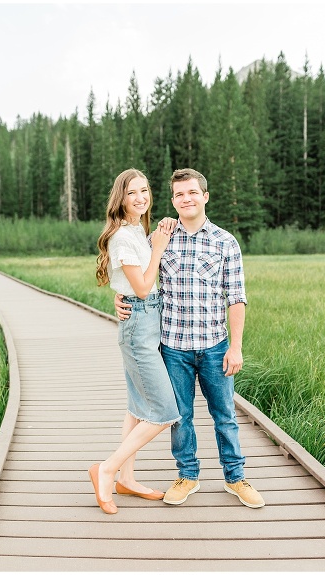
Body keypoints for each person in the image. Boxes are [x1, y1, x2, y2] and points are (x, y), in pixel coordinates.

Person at [116, 168, 264, 509]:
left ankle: (236, 478)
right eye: (180, 194)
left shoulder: (225, 242)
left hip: (215, 346)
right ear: (173, 200)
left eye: (193, 193)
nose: (187, 199)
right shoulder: (160, 238)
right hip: (173, 347)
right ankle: (187, 475)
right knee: (180, 416)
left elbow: (236, 297)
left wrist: (236, 347)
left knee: (224, 414)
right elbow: (141, 282)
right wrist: (119, 299)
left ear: (205, 196)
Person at [90, 168, 181, 514]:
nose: (141, 198)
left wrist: (157, 234)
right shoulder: (122, 237)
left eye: (144, 191)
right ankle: (108, 469)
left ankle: (126, 478)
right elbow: (142, 287)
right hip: (139, 326)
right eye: (132, 193)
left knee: (136, 408)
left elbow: (135, 286)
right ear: (120, 198)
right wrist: (157, 247)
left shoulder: (135, 230)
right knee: (162, 412)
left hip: (147, 322)